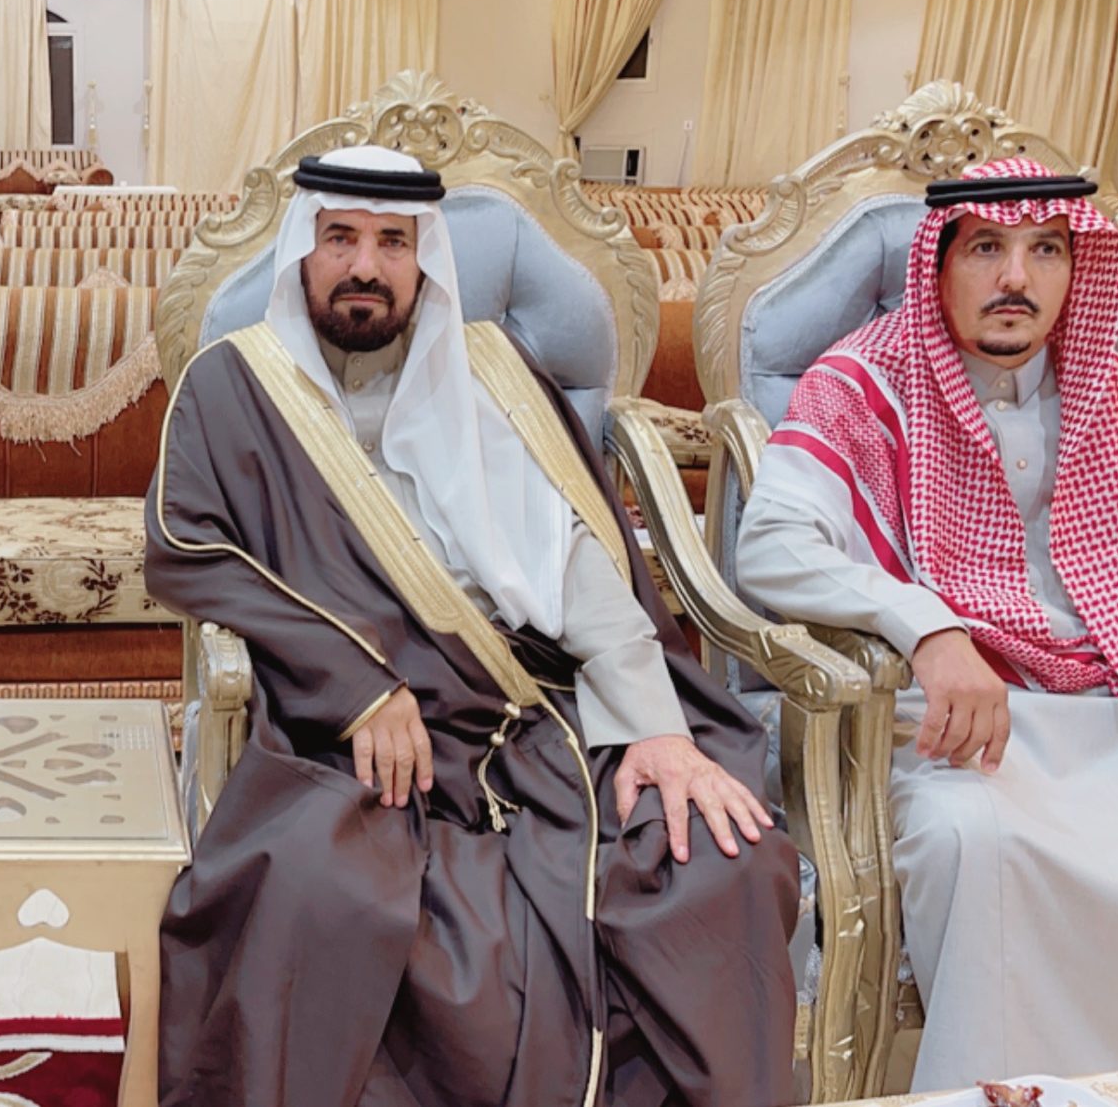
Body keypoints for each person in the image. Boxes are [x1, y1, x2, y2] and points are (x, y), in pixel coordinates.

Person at [148, 146, 800, 1107]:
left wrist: (656, 728)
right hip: (356, 729)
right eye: (340, 238)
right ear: (302, 250)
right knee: (329, 897)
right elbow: (185, 549)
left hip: (542, 705)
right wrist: (354, 683)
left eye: (392, 242)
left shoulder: (495, 373)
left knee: (715, 861)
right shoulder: (234, 386)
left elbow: (579, 555)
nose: (365, 265)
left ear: (425, 259)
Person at [737, 158, 1118, 1095]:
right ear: (938, 265)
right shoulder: (864, 384)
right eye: (987, 250)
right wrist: (928, 627)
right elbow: (769, 546)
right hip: (961, 728)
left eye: (1045, 250)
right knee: (970, 839)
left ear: (1076, 269)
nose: (1017, 278)